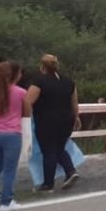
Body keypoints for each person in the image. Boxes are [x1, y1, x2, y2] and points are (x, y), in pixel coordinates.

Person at [26, 54, 81, 192]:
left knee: (48, 151)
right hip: (66, 121)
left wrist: (26, 118)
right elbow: (74, 103)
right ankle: (70, 171)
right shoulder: (69, 82)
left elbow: (27, 102)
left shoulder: (39, 82)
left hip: (46, 121)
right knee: (59, 148)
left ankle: (48, 184)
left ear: (42, 66)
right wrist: (76, 118)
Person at [0, 60, 30, 211]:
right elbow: (27, 112)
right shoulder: (21, 92)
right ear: (15, 75)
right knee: (10, 170)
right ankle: (6, 201)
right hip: (12, 134)